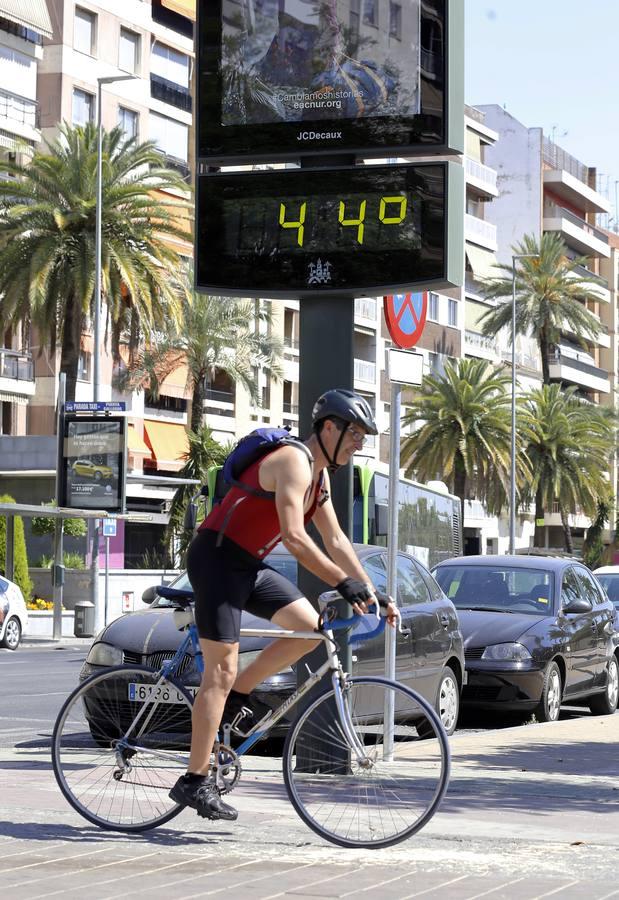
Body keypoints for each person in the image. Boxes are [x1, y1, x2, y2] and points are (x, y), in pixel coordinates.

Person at [169, 388, 397, 820]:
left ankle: (238, 694)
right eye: (355, 433)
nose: (359, 442)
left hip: (248, 564)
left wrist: (372, 590)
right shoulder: (294, 462)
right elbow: (294, 538)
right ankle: (194, 781)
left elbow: (335, 540)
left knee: (311, 631)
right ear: (329, 427)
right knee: (220, 668)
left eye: (364, 436)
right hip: (216, 559)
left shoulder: (320, 477)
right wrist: (342, 582)